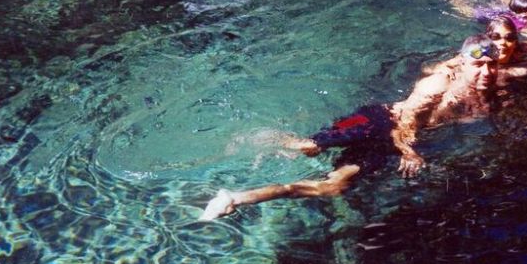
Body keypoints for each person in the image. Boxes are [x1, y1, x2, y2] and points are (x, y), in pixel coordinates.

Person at [199, 35, 503, 221]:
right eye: (479, 65)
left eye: (492, 65)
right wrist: (407, 150)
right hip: (376, 120)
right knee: (308, 147)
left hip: (386, 143)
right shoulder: (436, 85)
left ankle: (234, 198)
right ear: (463, 64)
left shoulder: (485, 95)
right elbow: (404, 122)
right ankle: (265, 138)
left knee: (332, 187)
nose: (487, 71)